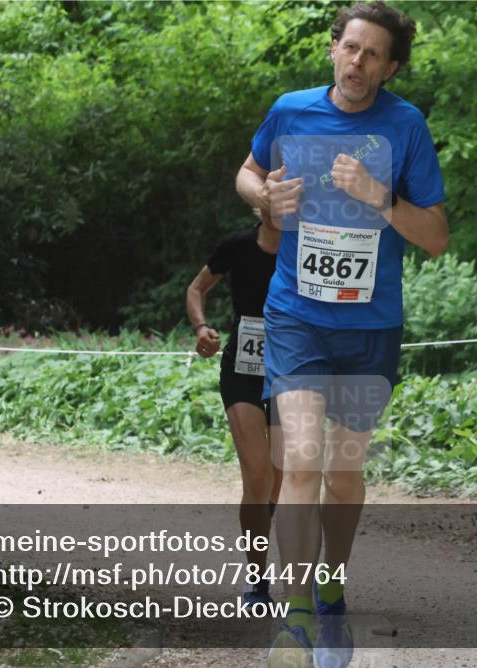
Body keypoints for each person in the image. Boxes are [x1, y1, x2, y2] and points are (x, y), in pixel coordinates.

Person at [235, 2, 448, 666]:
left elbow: (437, 238)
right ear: (333, 49)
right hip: (297, 317)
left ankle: (333, 576)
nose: (358, 62)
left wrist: (379, 198)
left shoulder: (406, 127)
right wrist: (263, 198)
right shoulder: (291, 110)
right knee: (299, 461)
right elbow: (246, 172)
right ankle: (295, 617)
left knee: (344, 471)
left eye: (374, 54)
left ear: (391, 66)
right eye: (350, 48)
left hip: (370, 329)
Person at [186, 209, 284, 608]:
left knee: (280, 478)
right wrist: (201, 326)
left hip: (290, 369)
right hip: (242, 369)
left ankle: (264, 524)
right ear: (260, 206)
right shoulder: (237, 245)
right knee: (256, 474)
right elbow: (196, 289)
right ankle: (257, 583)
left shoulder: (306, 246)